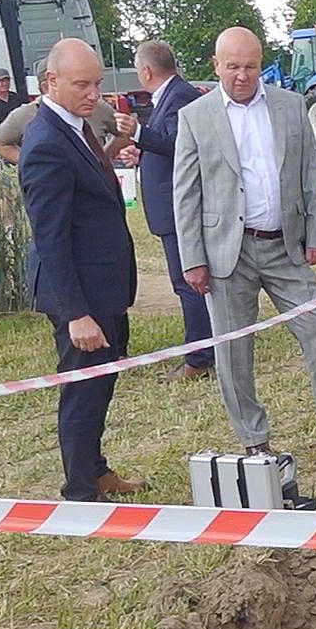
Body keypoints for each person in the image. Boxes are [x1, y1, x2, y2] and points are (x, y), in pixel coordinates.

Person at [173, 27, 316, 463]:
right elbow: (185, 195)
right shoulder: (194, 117)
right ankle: (254, 441)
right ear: (216, 65)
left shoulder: (291, 106)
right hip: (227, 254)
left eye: (251, 66)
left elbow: (311, 174)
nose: (243, 75)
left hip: (286, 247)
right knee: (234, 350)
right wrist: (193, 259)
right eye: (233, 67)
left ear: (262, 64)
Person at [18, 38, 145, 501]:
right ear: (51, 82)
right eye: (82, 85)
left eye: (97, 84)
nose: (94, 94)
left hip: (103, 284)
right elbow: (50, 236)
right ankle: (80, 491)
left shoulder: (76, 127)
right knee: (83, 391)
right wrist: (77, 313)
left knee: (101, 383)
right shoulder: (46, 141)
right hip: (79, 295)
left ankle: (95, 470)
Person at [123, 40, 213, 382]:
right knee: (188, 282)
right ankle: (206, 347)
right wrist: (142, 152)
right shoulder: (172, 96)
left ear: (146, 71)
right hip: (171, 206)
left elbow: (182, 146)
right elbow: (167, 145)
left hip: (179, 209)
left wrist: (139, 133)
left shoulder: (178, 97)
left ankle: (199, 358)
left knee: (188, 282)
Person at [0, 61, 130, 165]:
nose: (92, 94)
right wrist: (31, 164)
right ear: (47, 86)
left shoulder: (95, 107)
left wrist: (103, 158)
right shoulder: (25, 114)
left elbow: (126, 132)